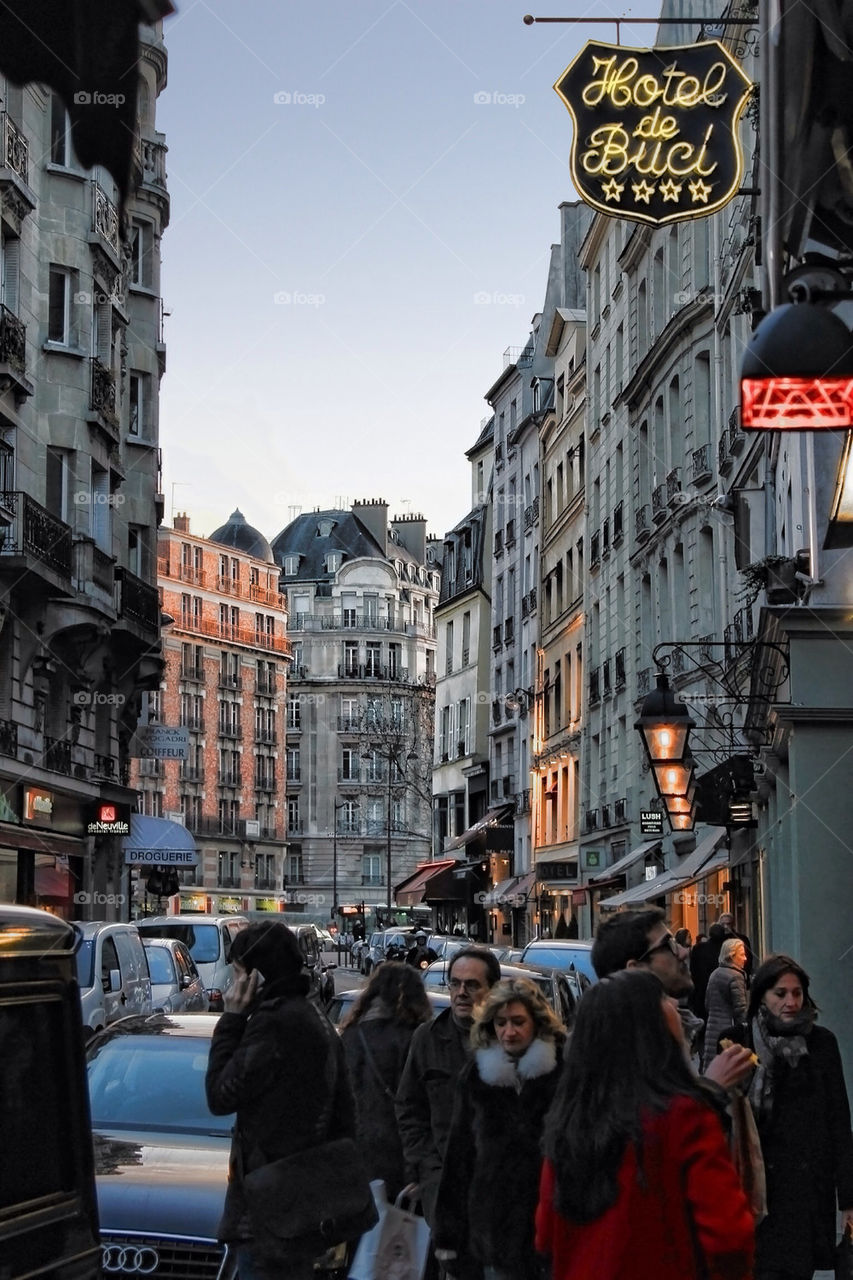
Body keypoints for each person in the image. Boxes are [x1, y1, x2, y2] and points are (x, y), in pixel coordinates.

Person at [535, 969, 755, 1280]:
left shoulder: (570, 1119)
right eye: (664, 1000)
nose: (676, 1009)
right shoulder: (684, 1115)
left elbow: (545, 1235)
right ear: (650, 1028)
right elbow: (728, 1236)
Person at [205, 921, 356, 1280]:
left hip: (270, 1213)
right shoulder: (310, 1013)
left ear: (254, 975)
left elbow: (220, 1095)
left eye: (237, 972)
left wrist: (231, 1020)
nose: (232, 982)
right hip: (297, 1207)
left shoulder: (274, 1023)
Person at [433, 978, 566, 1280]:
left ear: (537, 1022)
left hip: (552, 1231)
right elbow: (459, 1158)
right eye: (501, 1022)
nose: (509, 1032)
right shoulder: (477, 1077)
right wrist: (448, 1237)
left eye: (518, 1022)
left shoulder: (562, 1073)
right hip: (494, 1233)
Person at [736, 954, 853, 1279]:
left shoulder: (821, 1044)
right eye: (780, 993)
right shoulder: (739, 1043)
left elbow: (839, 1121)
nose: (791, 1001)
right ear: (762, 995)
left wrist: (848, 1199)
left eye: (797, 993)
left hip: (804, 1195)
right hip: (754, 1194)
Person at [396, 946, 501, 1229]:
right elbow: (409, 1108)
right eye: (455, 983)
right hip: (444, 1188)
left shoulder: (509, 1038)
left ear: (492, 990)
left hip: (498, 1190)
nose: (461, 992)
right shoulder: (427, 1038)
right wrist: (427, 1169)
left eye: (472, 985)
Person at [591, 907, 754, 1089]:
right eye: (668, 945)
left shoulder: (663, 1033)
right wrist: (714, 1089)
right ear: (635, 968)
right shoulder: (628, 1052)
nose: (683, 953)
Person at [340, 961, 432, 1201]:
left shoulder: (350, 1035)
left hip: (351, 1154)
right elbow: (417, 1107)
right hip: (397, 1154)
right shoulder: (411, 1038)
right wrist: (418, 1171)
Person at [702, 937, 749, 1072]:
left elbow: (707, 1004)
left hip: (712, 1029)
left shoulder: (715, 973)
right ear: (731, 955)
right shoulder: (736, 976)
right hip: (729, 1027)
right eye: (742, 954)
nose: (745, 958)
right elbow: (741, 1010)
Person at [689, 922, 727, 1021]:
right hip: (721, 993)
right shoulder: (725, 950)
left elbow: (693, 971)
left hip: (701, 992)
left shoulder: (698, 948)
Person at [717, 912, 755, 980]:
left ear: (733, 924)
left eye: (728, 924)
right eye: (723, 924)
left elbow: (748, 958)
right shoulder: (717, 940)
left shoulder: (742, 939)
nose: (725, 927)